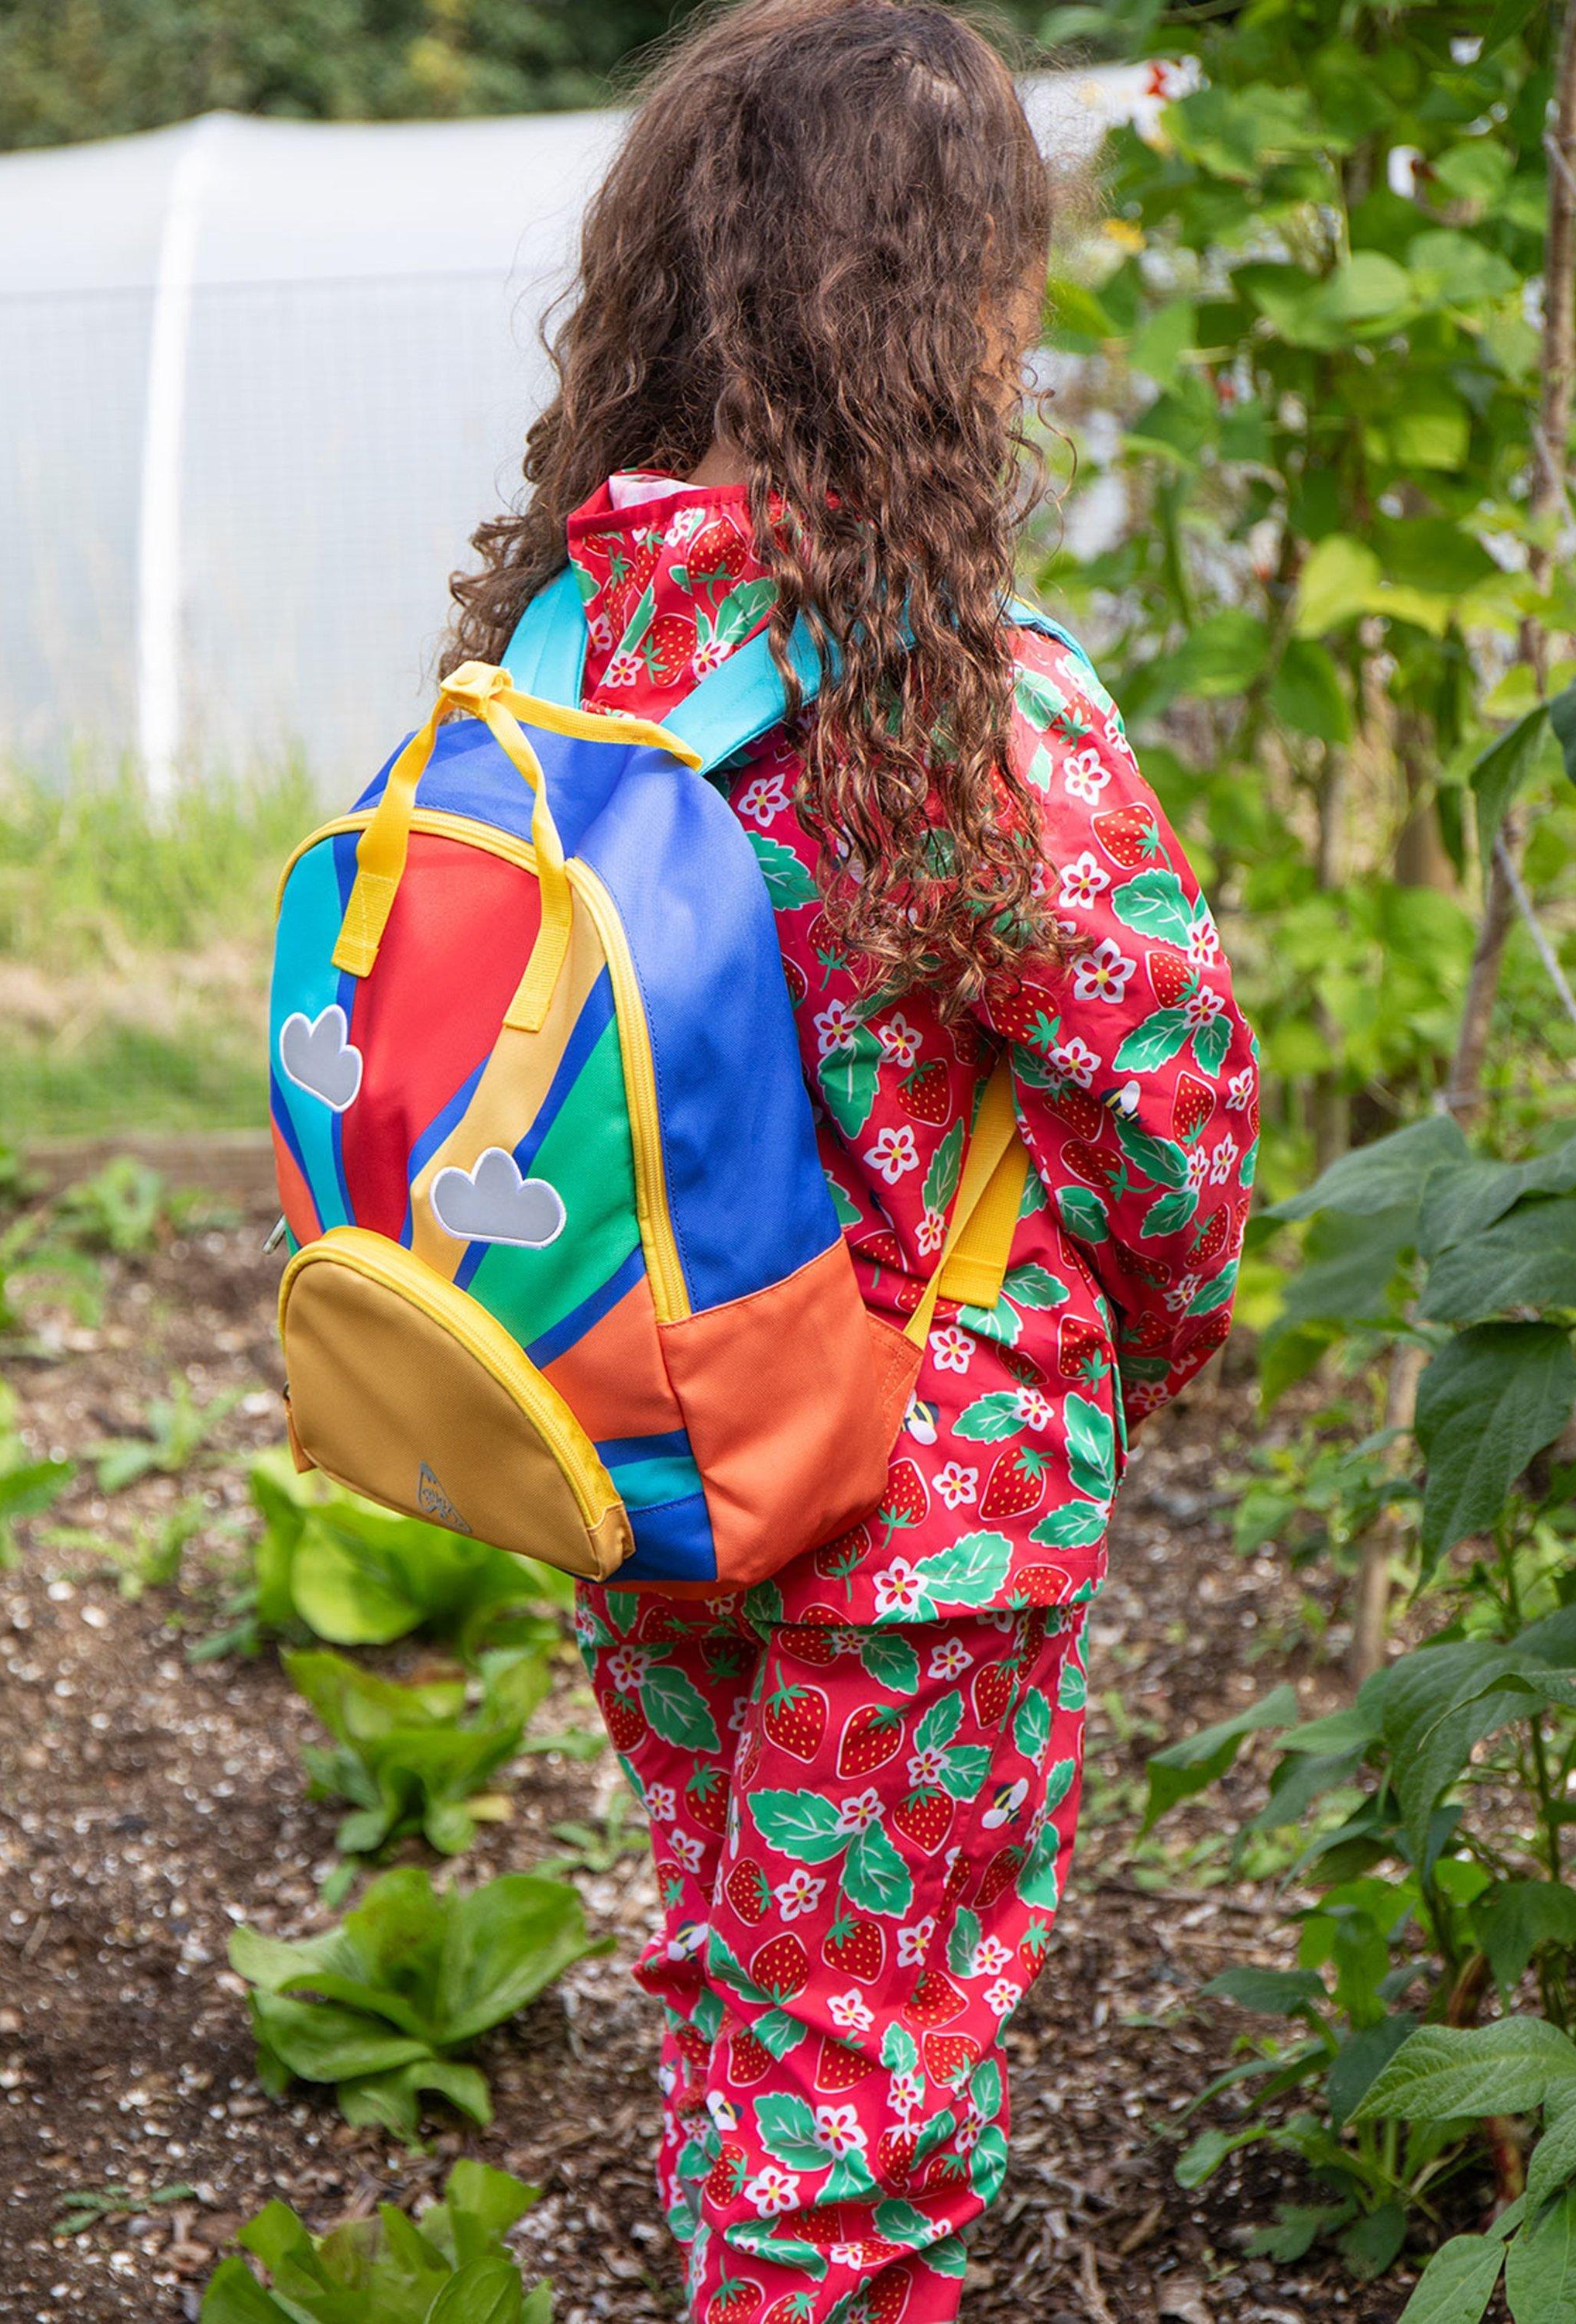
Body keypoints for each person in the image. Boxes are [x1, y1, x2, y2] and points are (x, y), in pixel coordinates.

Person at [445, 4, 1258, 2315]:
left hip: (632, 1434)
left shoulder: (558, 633)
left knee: (739, 1959)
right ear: (946, 300)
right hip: (921, 1491)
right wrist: (1150, 1339)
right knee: (867, 2081)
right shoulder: (962, 700)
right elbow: (1160, 1078)